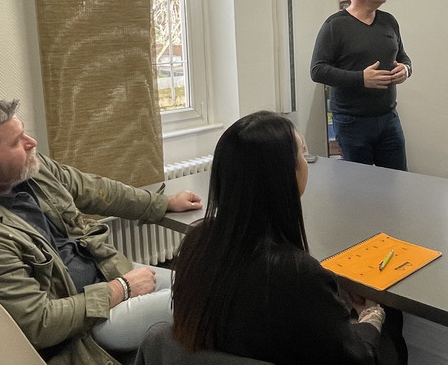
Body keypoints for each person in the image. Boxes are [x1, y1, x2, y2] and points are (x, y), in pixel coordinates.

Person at [0, 95, 203, 365]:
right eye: (17, 142)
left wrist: (162, 203)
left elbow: (91, 189)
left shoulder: (24, 172)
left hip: (107, 276)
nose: (32, 143)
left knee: (210, 287)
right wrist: (120, 288)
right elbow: (41, 325)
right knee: (205, 306)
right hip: (83, 327)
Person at [169, 110, 407, 365]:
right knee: (391, 324)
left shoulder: (196, 244)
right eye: (301, 155)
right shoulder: (295, 273)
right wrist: (371, 314)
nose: (305, 163)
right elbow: (356, 358)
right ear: (284, 175)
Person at [310, 0, 412, 171]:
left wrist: (406, 70)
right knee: (357, 190)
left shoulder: (389, 21)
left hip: (389, 118)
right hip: (351, 122)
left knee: (398, 183)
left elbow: (403, 57)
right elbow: (317, 70)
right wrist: (361, 79)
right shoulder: (335, 25)